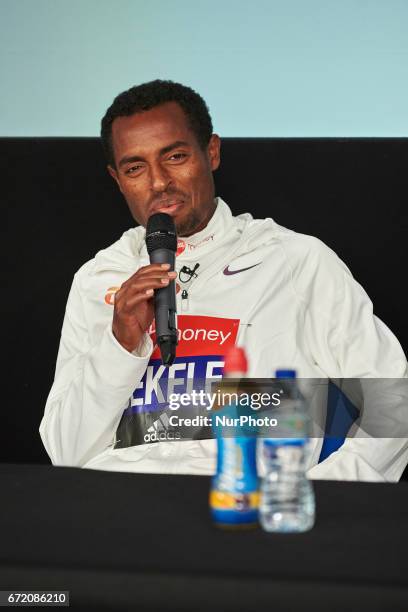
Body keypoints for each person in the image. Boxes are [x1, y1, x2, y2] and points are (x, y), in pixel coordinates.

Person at [40, 80, 408, 481]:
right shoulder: (98, 278)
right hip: (117, 516)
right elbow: (66, 453)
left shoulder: (293, 260)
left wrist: (323, 495)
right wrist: (119, 345)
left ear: (210, 152)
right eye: (135, 168)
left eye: (175, 156)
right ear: (117, 179)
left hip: (247, 520)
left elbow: (395, 401)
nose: (159, 182)